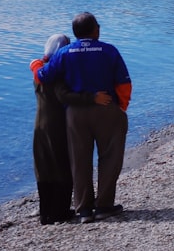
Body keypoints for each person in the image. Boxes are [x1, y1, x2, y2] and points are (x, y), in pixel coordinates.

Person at [33, 13, 132, 224]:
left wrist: (35, 64)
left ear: (75, 33)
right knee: (110, 157)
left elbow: (43, 76)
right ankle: (104, 206)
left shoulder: (64, 53)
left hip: (75, 113)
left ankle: (84, 209)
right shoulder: (109, 50)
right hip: (106, 108)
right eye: (98, 25)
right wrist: (120, 107)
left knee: (79, 160)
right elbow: (124, 84)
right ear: (95, 29)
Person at [29, 34, 110, 225]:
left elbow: (37, 68)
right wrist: (93, 98)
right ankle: (60, 211)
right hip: (58, 125)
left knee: (43, 168)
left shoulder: (39, 69)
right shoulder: (58, 74)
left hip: (40, 125)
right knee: (62, 166)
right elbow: (66, 96)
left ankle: (46, 212)